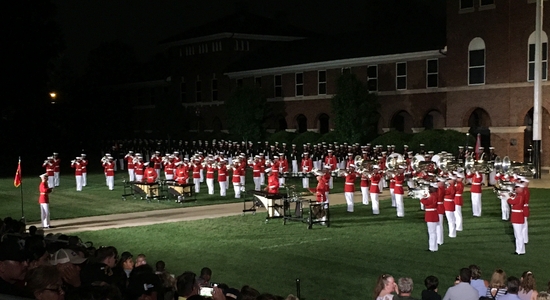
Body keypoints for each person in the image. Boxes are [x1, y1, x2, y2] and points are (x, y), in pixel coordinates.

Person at [420, 183, 439, 252]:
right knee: (432, 232)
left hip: (431, 215)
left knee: (432, 232)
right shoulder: (434, 195)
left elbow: (427, 202)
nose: (429, 189)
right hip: (431, 214)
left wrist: (421, 198)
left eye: (431, 188)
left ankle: (432, 248)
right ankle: (433, 247)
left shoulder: (433, 196)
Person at [508, 183, 526, 255]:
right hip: (517, 216)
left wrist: (508, 198)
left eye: (517, 188)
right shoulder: (519, 195)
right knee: (517, 234)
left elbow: (512, 202)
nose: (516, 189)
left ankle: (520, 250)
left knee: (518, 235)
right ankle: (519, 249)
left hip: (517, 216)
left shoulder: (520, 196)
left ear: (520, 188)